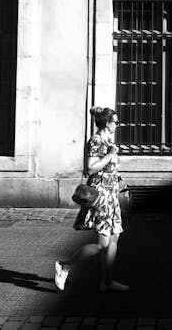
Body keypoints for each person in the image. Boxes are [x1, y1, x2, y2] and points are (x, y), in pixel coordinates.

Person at [54, 106, 129, 292]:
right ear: (106, 123)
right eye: (115, 122)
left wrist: (118, 180)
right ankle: (65, 266)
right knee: (101, 243)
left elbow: (108, 168)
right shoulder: (96, 141)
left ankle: (107, 282)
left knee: (114, 239)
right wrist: (111, 154)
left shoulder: (107, 140)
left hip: (111, 194)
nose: (117, 125)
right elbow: (90, 168)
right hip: (101, 195)